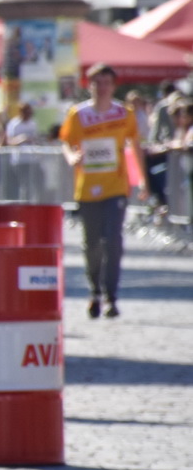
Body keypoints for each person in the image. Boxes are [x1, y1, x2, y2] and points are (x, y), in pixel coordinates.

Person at [61, 64, 143, 318]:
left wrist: (143, 183)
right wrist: (71, 157)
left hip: (116, 188)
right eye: (97, 83)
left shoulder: (123, 113)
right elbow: (66, 141)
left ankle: (111, 297)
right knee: (92, 244)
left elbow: (135, 145)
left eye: (107, 82)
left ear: (113, 86)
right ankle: (94, 290)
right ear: (90, 85)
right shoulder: (79, 114)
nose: (102, 87)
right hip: (87, 189)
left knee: (113, 242)